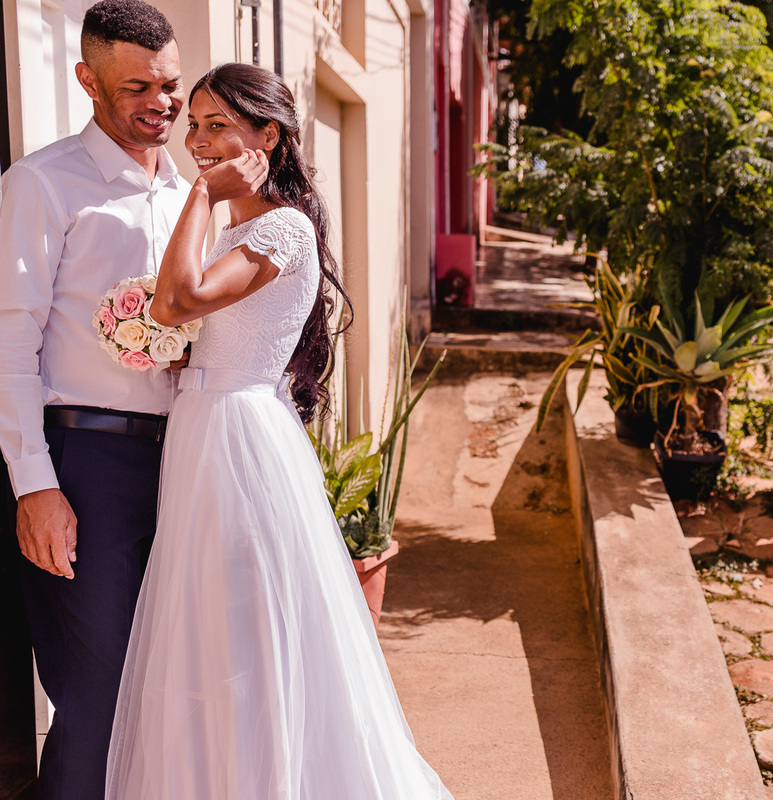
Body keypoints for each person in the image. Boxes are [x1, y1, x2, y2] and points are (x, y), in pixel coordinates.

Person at [104, 63, 453, 799]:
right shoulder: (238, 226)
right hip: (201, 429)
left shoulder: (284, 227)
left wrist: (201, 192)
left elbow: (179, 301)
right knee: (205, 628)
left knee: (247, 624)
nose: (197, 139)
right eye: (192, 124)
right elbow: (194, 324)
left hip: (240, 440)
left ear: (268, 136)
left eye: (217, 125)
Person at [0, 3, 261, 796]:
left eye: (171, 84)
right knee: (100, 696)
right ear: (87, 80)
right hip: (87, 467)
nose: (161, 102)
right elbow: (11, 343)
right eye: (136, 86)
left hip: (183, 461)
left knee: (176, 692)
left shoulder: (190, 193)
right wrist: (35, 485)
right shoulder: (42, 185)